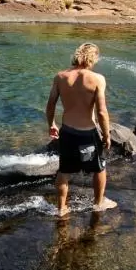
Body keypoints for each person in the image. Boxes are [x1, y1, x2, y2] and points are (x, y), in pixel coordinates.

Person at [45, 42, 117, 216]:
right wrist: (106, 135)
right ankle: (98, 203)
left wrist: (51, 125)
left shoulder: (60, 77)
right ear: (93, 58)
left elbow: (50, 104)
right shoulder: (98, 79)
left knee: (64, 170)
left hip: (68, 131)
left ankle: (61, 208)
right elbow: (101, 111)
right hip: (87, 134)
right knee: (99, 168)